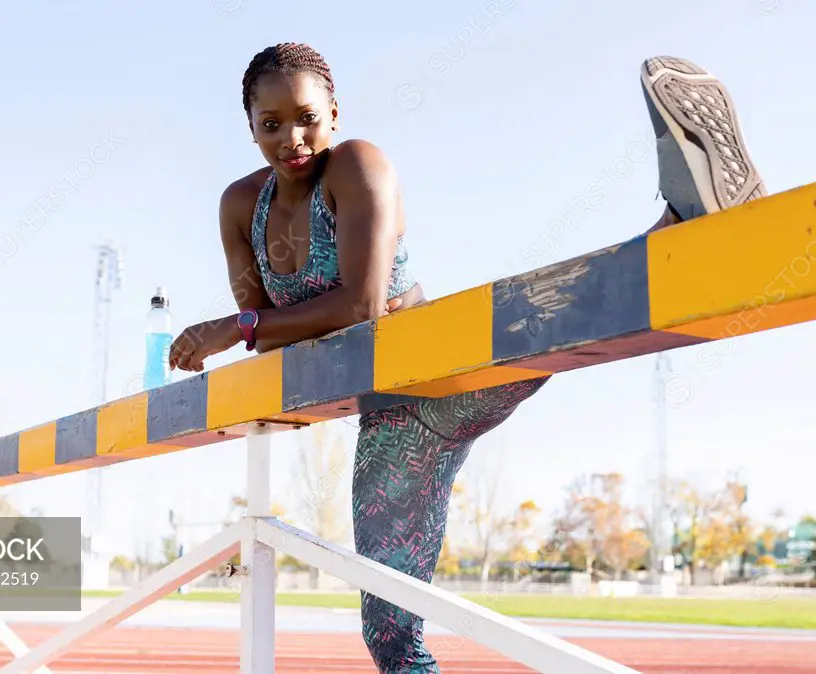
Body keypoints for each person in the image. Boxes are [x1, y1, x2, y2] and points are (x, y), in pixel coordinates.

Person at [167, 45, 766, 672]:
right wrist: (248, 328)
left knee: (537, 316)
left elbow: (359, 306)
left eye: (307, 117)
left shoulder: (357, 165)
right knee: (390, 636)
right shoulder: (239, 206)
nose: (292, 137)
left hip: (442, 368)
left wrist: (235, 327)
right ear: (251, 128)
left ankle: (686, 226)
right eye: (271, 124)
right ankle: (678, 227)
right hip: (393, 426)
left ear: (335, 114)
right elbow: (267, 333)